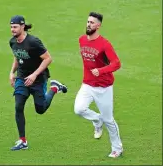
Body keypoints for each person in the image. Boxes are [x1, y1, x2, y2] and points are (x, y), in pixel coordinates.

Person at [9, 15, 68, 151]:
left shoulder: (33, 42)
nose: (13, 29)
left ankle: (54, 88)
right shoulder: (12, 42)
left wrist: (35, 75)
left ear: (23, 27)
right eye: (11, 27)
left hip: (38, 79)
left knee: (40, 109)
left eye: (15, 27)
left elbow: (48, 59)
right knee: (18, 106)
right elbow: (17, 57)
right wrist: (12, 72)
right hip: (22, 78)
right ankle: (22, 141)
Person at [74, 12, 123, 158]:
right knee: (79, 109)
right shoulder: (82, 40)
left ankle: (117, 148)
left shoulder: (104, 44)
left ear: (98, 25)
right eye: (88, 21)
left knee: (109, 120)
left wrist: (101, 70)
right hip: (88, 84)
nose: (88, 24)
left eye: (92, 22)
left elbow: (117, 63)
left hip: (104, 87)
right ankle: (97, 119)